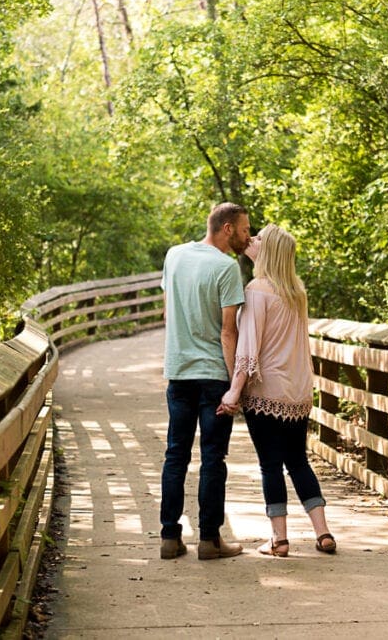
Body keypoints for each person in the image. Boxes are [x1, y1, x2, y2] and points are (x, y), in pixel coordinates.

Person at [218, 224, 336, 557]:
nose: (250, 242)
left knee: (270, 465)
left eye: (257, 240)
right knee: (298, 461)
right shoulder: (296, 290)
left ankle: (279, 539)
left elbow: (248, 347)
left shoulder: (257, 290)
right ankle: (323, 532)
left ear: (268, 252)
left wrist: (234, 390)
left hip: (266, 390)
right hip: (296, 391)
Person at [159, 202, 251, 560]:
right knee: (213, 457)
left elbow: (169, 313)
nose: (247, 236)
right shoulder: (227, 268)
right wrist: (234, 385)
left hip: (179, 373)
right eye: (244, 230)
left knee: (175, 455)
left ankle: (169, 537)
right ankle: (210, 541)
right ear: (227, 228)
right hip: (213, 375)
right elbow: (229, 333)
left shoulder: (174, 256)